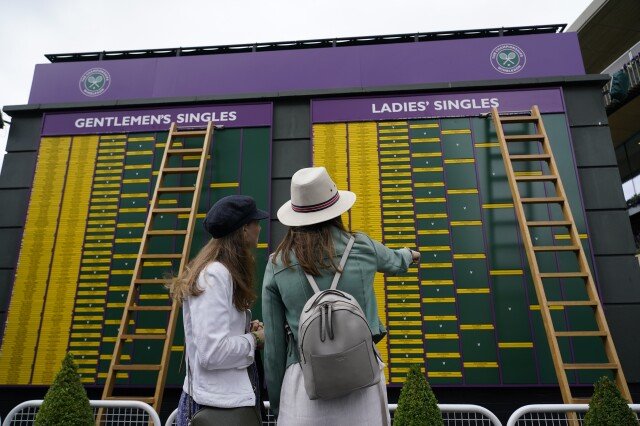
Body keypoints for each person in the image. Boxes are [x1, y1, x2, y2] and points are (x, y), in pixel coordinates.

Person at [262, 167, 420, 425]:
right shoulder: (361, 246)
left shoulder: (277, 263)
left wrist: (280, 404)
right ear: (336, 210)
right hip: (362, 379)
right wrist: (410, 254)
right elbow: (394, 260)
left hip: (303, 387)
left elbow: (274, 346)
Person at [168, 195, 269, 426]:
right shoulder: (215, 274)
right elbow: (212, 353)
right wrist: (254, 339)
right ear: (244, 229)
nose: (259, 228)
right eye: (256, 222)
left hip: (219, 403)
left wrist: (245, 330)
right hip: (215, 407)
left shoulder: (219, 271)